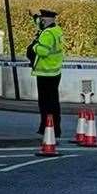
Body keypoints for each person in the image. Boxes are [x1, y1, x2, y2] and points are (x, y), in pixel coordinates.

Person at [28, 9, 65, 137]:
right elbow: (39, 23)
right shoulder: (56, 30)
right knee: (53, 102)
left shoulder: (47, 34)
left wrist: (34, 46)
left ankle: (47, 128)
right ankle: (54, 128)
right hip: (55, 71)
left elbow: (43, 51)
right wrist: (33, 16)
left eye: (43, 19)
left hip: (46, 73)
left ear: (47, 20)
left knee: (45, 104)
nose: (41, 21)